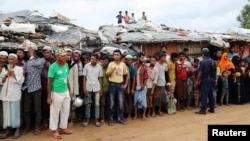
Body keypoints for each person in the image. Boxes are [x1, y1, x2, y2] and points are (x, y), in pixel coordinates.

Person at [47, 48, 72, 139]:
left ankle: (63, 128)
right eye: (62, 56)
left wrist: (69, 89)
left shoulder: (66, 65)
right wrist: (49, 96)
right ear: (57, 56)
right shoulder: (53, 67)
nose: (64, 57)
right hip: (56, 92)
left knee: (66, 110)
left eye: (65, 55)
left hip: (65, 91)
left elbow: (67, 78)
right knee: (55, 112)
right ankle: (54, 130)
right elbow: (49, 82)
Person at [0, 53, 24, 139]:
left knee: (15, 112)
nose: (10, 61)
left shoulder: (20, 69)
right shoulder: (4, 69)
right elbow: (1, 81)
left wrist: (13, 74)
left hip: (14, 94)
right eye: (9, 59)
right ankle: (7, 130)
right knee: (6, 113)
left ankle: (17, 129)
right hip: (5, 95)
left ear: (16, 60)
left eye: (12, 59)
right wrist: (6, 75)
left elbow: (21, 81)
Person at [22, 45, 45, 135]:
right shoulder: (27, 62)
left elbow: (36, 64)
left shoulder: (40, 60)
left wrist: (32, 55)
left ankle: (37, 127)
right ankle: (27, 126)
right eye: (28, 52)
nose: (28, 54)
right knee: (26, 109)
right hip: (27, 88)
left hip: (36, 88)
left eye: (29, 52)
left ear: (34, 52)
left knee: (37, 109)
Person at [106, 49, 128, 126]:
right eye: (115, 55)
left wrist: (126, 84)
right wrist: (112, 71)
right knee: (111, 103)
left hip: (120, 85)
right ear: (113, 56)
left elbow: (127, 74)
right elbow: (107, 75)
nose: (116, 56)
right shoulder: (111, 64)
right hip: (112, 85)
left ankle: (119, 118)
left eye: (117, 55)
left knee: (120, 103)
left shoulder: (123, 65)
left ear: (120, 56)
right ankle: (111, 119)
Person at [82, 54, 103, 127]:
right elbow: (84, 77)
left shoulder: (99, 67)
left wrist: (101, 89)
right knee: (88, 104)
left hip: (97, 88)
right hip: (88, 87)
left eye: (94, 59)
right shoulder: (86, 66)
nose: (92, 60)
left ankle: (97, 119)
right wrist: (84, 87)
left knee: (97, 104)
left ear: (97, 60)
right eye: (91, 59)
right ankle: (87, 119)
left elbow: (100, 78)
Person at [194, 48, 216, 114]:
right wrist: (215, 79)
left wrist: (197, 81)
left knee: (204, 94)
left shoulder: (203, 62)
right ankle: (212, 108)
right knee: (210, 94)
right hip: (211, 79)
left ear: (203, 54)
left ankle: (203, 109)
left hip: (205, 79)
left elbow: (200, 72)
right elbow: (215, 71)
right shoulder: (213, 61)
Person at [41, 46, 56, 128]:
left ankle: (52, 122)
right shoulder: (41, 60)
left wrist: (49, 67)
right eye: (45, 53)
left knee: (52, 104)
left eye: (48, 52)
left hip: (52, 87)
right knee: (44, 104)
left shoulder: (55, 61)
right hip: (43, 86)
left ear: (51, 53)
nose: (46, 54)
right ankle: (44, 121)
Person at [65, 49, 79, 126]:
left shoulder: (74, 65)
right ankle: (64, 120)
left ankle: (71, 120)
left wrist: (75, 92)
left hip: (72, 89)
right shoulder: (62, 64)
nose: (68, 56)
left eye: (70, 55)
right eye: (67, 55)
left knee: (72, 106)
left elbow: (75, 79)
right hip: (63, 88)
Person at [133, 52, 148, 121]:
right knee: (135, 101)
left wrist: (143, 85)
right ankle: (136, 115)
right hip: (136, 85)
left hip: (142, 86)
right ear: (138, 58)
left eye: (143, 58)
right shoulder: (134, 65)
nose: (143, 59)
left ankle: (143, 115)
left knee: (144, 101)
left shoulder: (145, 66)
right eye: (142, 58)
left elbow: (146, 77)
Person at [124, 55, 136, 120]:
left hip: (130, 85)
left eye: (130, 60)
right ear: (125, 60)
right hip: (124, 85)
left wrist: (132, 88)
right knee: (124, 101)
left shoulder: (132, 68)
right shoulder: (124, 66)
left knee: (129, 101)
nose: (129, 61)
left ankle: (129, 115)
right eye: (128, 60)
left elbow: (134, 78)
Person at [100, 55, 110, 124]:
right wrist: (100, 89)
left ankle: (109, 117)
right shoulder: (100, 69)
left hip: (110, 89)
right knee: (102, 104)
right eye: (103, 61)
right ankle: (102, 118)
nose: (104, 62)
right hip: (102, 89)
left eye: (106, 61)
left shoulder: (110, 68)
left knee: (109, 104)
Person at [0, 51, 8, 133]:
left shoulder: (8, 67)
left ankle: (3, 127)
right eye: (0, 58)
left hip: (5, 91)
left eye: (4, 58)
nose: (2, 60)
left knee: (3, 110)